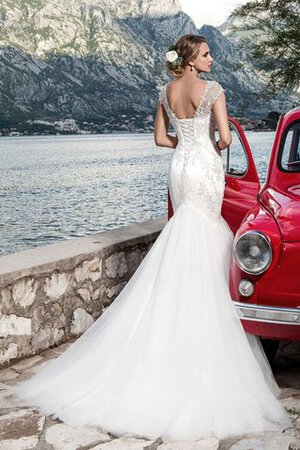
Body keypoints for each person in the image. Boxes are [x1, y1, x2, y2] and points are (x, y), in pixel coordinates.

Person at [12, 34, 292, 442]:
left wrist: (187, 141)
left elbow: (161, 140)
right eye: (207, 53)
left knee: (183, 234)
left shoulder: (165, 90)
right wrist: (208, 142)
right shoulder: (213, 89)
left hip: (180, 169)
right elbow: (227, 140)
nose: (212, 59)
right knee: (209, 238)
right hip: (206, 168)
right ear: (193, 59)